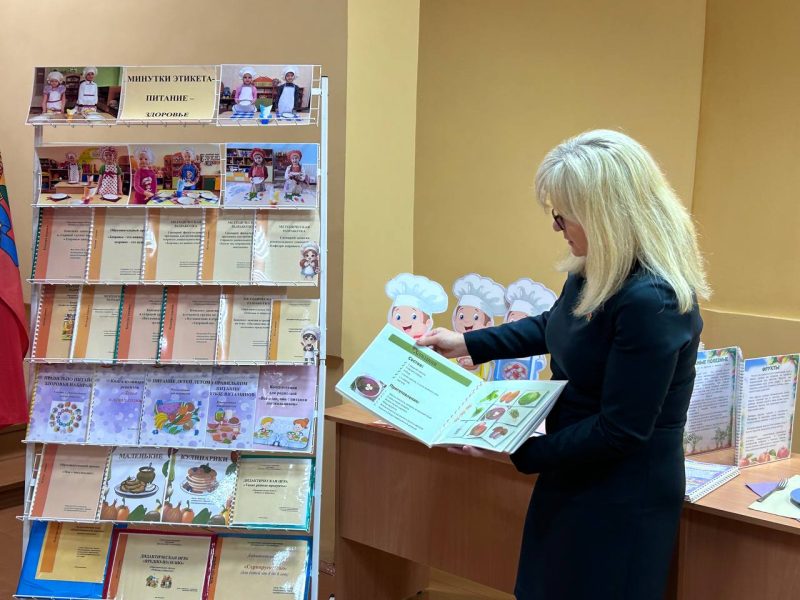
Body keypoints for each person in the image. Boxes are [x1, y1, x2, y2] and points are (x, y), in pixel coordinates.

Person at [418, 129, 709, 599]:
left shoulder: (652, 300)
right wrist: (466, 342)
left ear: (605, 217)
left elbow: (621, 430)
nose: (556, 227)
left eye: (563, 215)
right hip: (571, 468)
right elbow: (555, 325)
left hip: (622, 495)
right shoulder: (596, 268)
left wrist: (515, 450)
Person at [385, 272, 448, 340]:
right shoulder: (389, 340)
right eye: (398, 317)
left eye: (414, 317)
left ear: (428, 323)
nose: (404, 321)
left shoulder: (428, 343)